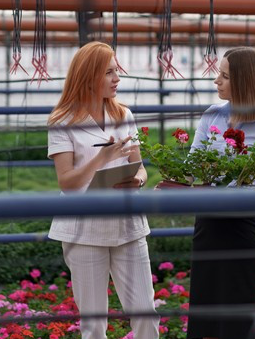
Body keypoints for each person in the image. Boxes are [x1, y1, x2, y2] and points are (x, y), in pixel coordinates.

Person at [47, 41, 159, 339]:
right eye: (109, 72)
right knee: (94, 324)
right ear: (89, 76)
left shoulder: (125, 115)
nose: (117, 78)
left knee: (146, 314)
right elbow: (67, 183)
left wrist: (138, 181)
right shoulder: (62, 121)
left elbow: (141, 168)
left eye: (116, 71)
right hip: (83, 230)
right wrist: (102, 158)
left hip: (128, 224)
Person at [186, 47, 255, 339]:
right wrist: (177, 181)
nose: (216, 80)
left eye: (224, 76)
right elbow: (191, 165)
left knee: (241, 313)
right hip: (208, 224)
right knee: (205, 306)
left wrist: (249, 190)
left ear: (243, 81)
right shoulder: (211, 116)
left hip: (244, 227)